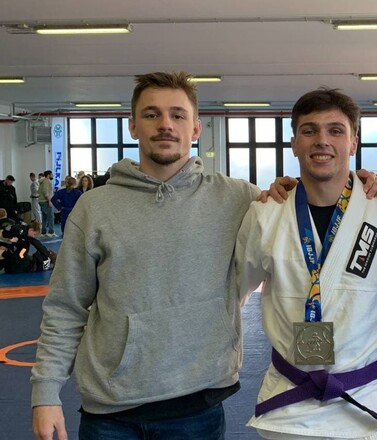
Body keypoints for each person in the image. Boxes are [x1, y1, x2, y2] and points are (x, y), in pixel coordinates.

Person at [29, 71, 265, 440]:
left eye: (177, 115)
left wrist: (358, 187)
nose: (165, 124)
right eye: (152, 114)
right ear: (133, 126)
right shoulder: (95, 208)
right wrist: (45, 393)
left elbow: (308, 206)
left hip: (197, 408)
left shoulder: (237, 198)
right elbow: (65, 307)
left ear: (196, 128)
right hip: (111, 414)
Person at [235, 88, 377, 439]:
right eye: (309, 130)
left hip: (367, 402)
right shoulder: (265, 213)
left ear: (353, 143)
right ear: (294, 143)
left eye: (335, 130)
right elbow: (233, 294)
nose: (322, 140)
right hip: (289, 406)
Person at [0, 209, 55, 274]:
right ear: (31, 230)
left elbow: (22, 254)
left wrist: (15, 242)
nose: (34, 236)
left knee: (7, 253)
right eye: (34, 234)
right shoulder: (23, 233)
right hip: (20, 264)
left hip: (18, 265)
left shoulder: (25, 240)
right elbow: (37, 245)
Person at [38, 170, 55, 237]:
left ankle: (43, 231)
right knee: (50, 217)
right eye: (51, 174)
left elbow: (39, 191)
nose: (52, 175)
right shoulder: (47, 181)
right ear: (48, 175)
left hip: (42, 201)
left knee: (44, 217)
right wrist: (49, 201)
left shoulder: (42, 181)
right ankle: (51, 232)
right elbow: (45, 192)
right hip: (46, 201)